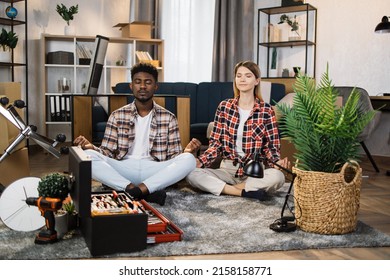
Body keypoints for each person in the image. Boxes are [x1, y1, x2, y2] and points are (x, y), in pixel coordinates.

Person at [74, 63, 199, 206]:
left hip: (154, 170)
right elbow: (106, 153)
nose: (143, 86)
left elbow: (174, 158)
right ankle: (138, 191)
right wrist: (91, 147)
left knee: (189, 159)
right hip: (124, 169)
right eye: (138, 82)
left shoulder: (169, 117)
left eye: (148, 82)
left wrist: (186, 152)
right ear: (131, 86)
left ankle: (136, 192)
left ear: (155, 86)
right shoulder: (117, 115)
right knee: (88, 156)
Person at [186, 61, 289, 201]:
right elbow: (216, 144)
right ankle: (241, 191)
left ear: (257, 80)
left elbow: (271, 147)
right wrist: (200, 162)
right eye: (239, 75)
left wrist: (277, 165)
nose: (242, 79)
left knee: (278, 177)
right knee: (192, 174)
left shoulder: (266, 110)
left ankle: (228, 188)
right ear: (235, 80)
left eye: (248, 76)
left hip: (255, 172)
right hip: (226, 170)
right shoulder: (224, 107)